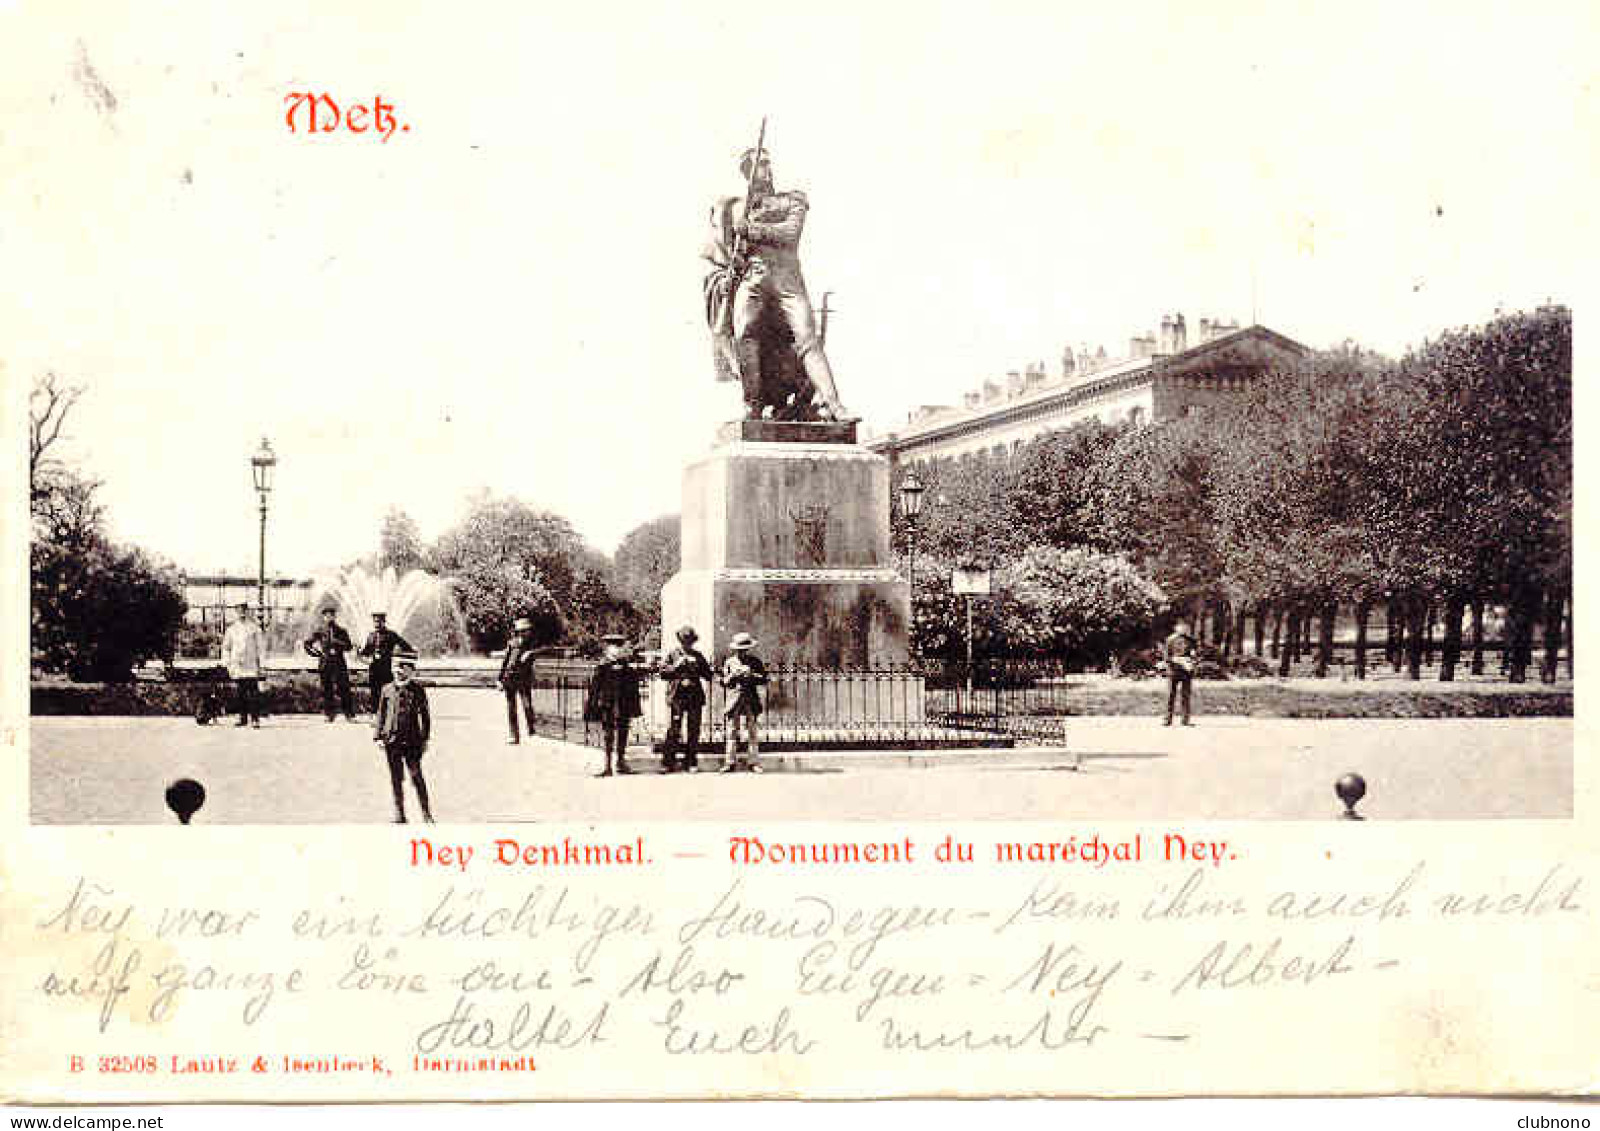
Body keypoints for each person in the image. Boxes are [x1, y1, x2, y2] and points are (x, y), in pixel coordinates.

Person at [703, 146, 851, 422]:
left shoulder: (792, 200)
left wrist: (753, 230)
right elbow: (720, 250)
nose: (763, 171)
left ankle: (834, 404)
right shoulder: (736, 208)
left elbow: (790, 234)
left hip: (788, 280)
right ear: (747, 173)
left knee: (807, 338)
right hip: (753, 278)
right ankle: (753, 405)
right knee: (745, 335)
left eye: (765, 165)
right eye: (756, 166)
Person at [373, 649, 433, 823]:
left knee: (416, 776)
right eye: (395, 668)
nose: (397, 671)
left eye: (402, 668)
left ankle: (426, 813)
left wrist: (425, 738)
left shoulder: (417, 691)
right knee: (396, 778)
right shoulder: (387, 690)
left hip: (412, 742)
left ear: (411, 671)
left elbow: (425, 717)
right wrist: (378, 736)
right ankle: (400, 814)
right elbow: (381, 714)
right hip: (391, 741)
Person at [583, 635, 642, 777]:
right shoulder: (603, 667)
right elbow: (595, 688)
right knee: (608, 734)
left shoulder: (627, 667)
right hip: (607, 705)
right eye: (612, 647)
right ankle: (607, 765)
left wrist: (635, 706)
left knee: (623, 732)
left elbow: (633, 689)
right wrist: (592, 706)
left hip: (623, 704)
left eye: (618, 646)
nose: (615, 650)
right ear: (607, 650)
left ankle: (621, 762)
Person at [658, 625, 713, 773]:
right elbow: (662, 673)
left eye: (689, 641)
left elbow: (708, 675)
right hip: (677, 696)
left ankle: (690, 762)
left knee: (693, 730)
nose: (687, 644)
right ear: (680, 640)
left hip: (694, 696)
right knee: (673, 729)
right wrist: (676, 666)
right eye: (684, 640)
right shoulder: (673, 655)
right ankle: (669, 762)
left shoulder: (698, 655)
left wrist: (699, 665)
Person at [721, 632, 768, 772]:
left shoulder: (755, 661)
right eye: (739, 650)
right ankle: (729, 762)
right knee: (731, 731)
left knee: (752, 731)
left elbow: (764, 679)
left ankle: (753, 762)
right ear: (735, 649)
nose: (742, 652)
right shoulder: (729, 662)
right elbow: (724, 682)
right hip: (733, 700)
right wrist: (733, 676)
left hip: (750, 699)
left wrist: (751, 674)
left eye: (744, 649)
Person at [303, 605, 355, 722]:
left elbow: (349, 646)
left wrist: (338, 643)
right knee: (327, 689)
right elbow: (307, 643)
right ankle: (329, 714)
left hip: (339, 662)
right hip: (325, 662)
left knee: (343, 688)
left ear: (335, 616)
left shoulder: (341, 631)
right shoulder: (320, 631)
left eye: (331, 615)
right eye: (327, 615)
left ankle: (349, 714)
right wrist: (316, 653)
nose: (329, 618)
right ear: (324, 617)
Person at [358, 611, 413, 716]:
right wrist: (359, 652)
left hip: (386, 667)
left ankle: (388, 714)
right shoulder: (371, 636)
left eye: (379, 622)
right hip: (374, 668)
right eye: (375, 622)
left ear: (384, 622)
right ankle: (375, 714)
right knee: (374, 691)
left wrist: (404, 656)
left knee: (388, 691)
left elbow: (405, 646)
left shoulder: (391, 635)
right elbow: (366, 651)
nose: (377, 624)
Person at [221, 602, 266, 728]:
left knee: (253, 694)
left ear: (247, 612)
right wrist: (227, 664)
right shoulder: (231, 629)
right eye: (239, 611)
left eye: (243, 610)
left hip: (251, 666)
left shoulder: (254, 628)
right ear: (236, 612)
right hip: (237, 666)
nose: (241, 613)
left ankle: (255, 719)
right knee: (240, 693)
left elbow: (260, 648)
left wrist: (262, 665)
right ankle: (242, 718)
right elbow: (226, 647)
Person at [498, 616, 537, 745]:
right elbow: (505, 661)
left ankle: (531, 729)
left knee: (527, 705)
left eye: (527, 630)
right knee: (511, 708)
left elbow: (545, 650)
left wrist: (530, 653)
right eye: (522, 630)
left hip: (523, 678)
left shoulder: (532, 643)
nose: (525, 633)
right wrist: (500, 679)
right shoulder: (512, 643)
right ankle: (514, 735)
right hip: (509, 677)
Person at [1162, 620, 1197, 727]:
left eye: (1185, 627)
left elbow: (1195, 655)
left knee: (1186, 696)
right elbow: (1166, 657)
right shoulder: (1170, 640)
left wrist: (1192, 660)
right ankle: (1167, 719)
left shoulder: (1191, 640)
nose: (1183, 629)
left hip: (1186, 672)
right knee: (1170, 696)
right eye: (1181, 627)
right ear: (1176, 628)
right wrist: (1180, 661)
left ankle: (1185, 720)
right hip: (1173, 671)